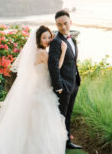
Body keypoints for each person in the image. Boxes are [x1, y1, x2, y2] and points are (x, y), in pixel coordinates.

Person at [0, 25, 68, 154]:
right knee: (42, 123)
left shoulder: (35, 52)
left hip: (38, 89)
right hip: (42, 92)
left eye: (49, 37)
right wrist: (63, 51)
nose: (47, 40)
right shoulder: (42, 53)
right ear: (38, 40)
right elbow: (56, 68)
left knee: (34, 124)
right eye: (44, 37)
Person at [48, 10, 82, 150]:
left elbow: (72, 61)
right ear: (56, 25)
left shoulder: (72, 40)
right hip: (63, 86)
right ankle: (58, 143)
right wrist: (59, 86)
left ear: (70, 22)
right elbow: (53, 67)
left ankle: (67, 141)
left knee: (68, 114)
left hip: (74, 83)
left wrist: (76, 80)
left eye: (65, 23)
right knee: (61, 116)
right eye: (59, 24)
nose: (63, 27)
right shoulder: (56, 42)